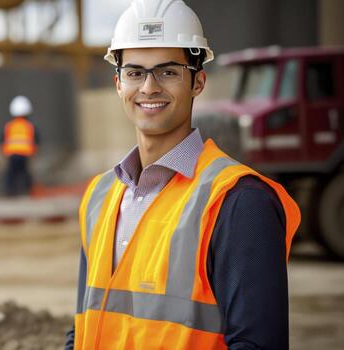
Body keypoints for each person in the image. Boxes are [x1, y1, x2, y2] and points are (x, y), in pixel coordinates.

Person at [65, 0, 300, 349]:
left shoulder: (238, 201)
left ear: (198, 81)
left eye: (168, 71)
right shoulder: (99, 195)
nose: (149, 88)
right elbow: (83, 327)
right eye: (135, 72)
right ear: (118, 83)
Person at [1, 95, 39, 196]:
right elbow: (35, 140)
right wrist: (34, 152)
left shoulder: (9, 126)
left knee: (11, 174)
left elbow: (3, 139)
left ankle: (10, 191)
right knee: (24, 173)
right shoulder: (29, 126)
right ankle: (27, 191)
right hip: (24, 154)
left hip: (12, 154)